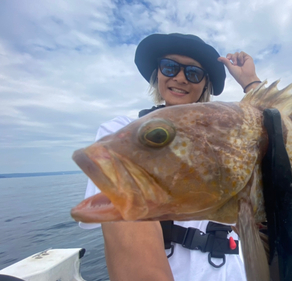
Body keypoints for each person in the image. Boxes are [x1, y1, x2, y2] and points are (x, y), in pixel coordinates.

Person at [80, 33, 262, 281]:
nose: (179, 77)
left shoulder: (227, 139)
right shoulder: (122, 134)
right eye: (170, 67)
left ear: (205, 84)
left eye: (193, 73)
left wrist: (251, 82)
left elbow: (276, 142)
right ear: (158, 73)